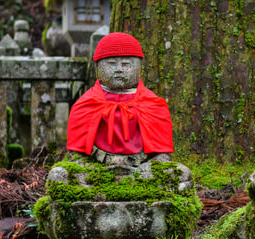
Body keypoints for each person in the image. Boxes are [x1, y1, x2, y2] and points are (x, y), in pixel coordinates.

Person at [66, 32, 174, 163]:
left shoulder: (153, 104)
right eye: (111, 64)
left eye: (125, 64)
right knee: (59, 175)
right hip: (97, 171)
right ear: (97, 68)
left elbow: (163, 156)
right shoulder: (86, 104)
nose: (118, 69)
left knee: (180, 173)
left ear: (140, 68)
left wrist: (150, 167)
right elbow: (75, 156)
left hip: (141, 170)